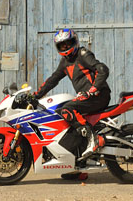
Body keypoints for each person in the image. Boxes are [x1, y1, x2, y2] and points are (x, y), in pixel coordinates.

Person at [33, 29, 111, 169]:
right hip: (86, 98)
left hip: (99, 95)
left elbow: (102, 69)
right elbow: (53, 80)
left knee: (67, 109)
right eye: (62, 45)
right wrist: (35, 96)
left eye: (68, 43)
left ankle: (93, 139)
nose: (65, 47)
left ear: (75, 42)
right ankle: (77, 164)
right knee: (61, 116)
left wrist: (93, 90)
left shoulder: (83, 54)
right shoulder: (65, 62)